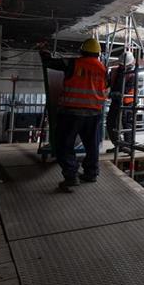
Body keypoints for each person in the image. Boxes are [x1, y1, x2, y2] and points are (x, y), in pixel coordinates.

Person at [40, 38, 107, 192]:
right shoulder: (102, 68)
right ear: (98, 53)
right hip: (94, 112)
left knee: (64, 144)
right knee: (92, 145)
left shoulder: (73, 63)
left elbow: (49, 62)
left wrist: (43, 51)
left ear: (82, 51)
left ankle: (71, 176)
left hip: (72, 112)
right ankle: (91, 173)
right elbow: (106, 86)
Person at [106, 50, 136, 153]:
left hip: (127, 103)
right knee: (110, 123)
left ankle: (129, 146)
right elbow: (107, 83)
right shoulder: (114, 71)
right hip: (116, 102)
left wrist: (111, 94)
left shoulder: (133, 74)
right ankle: (118, 144)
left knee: (127, 124)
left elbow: (126, 90)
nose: (123, 66)